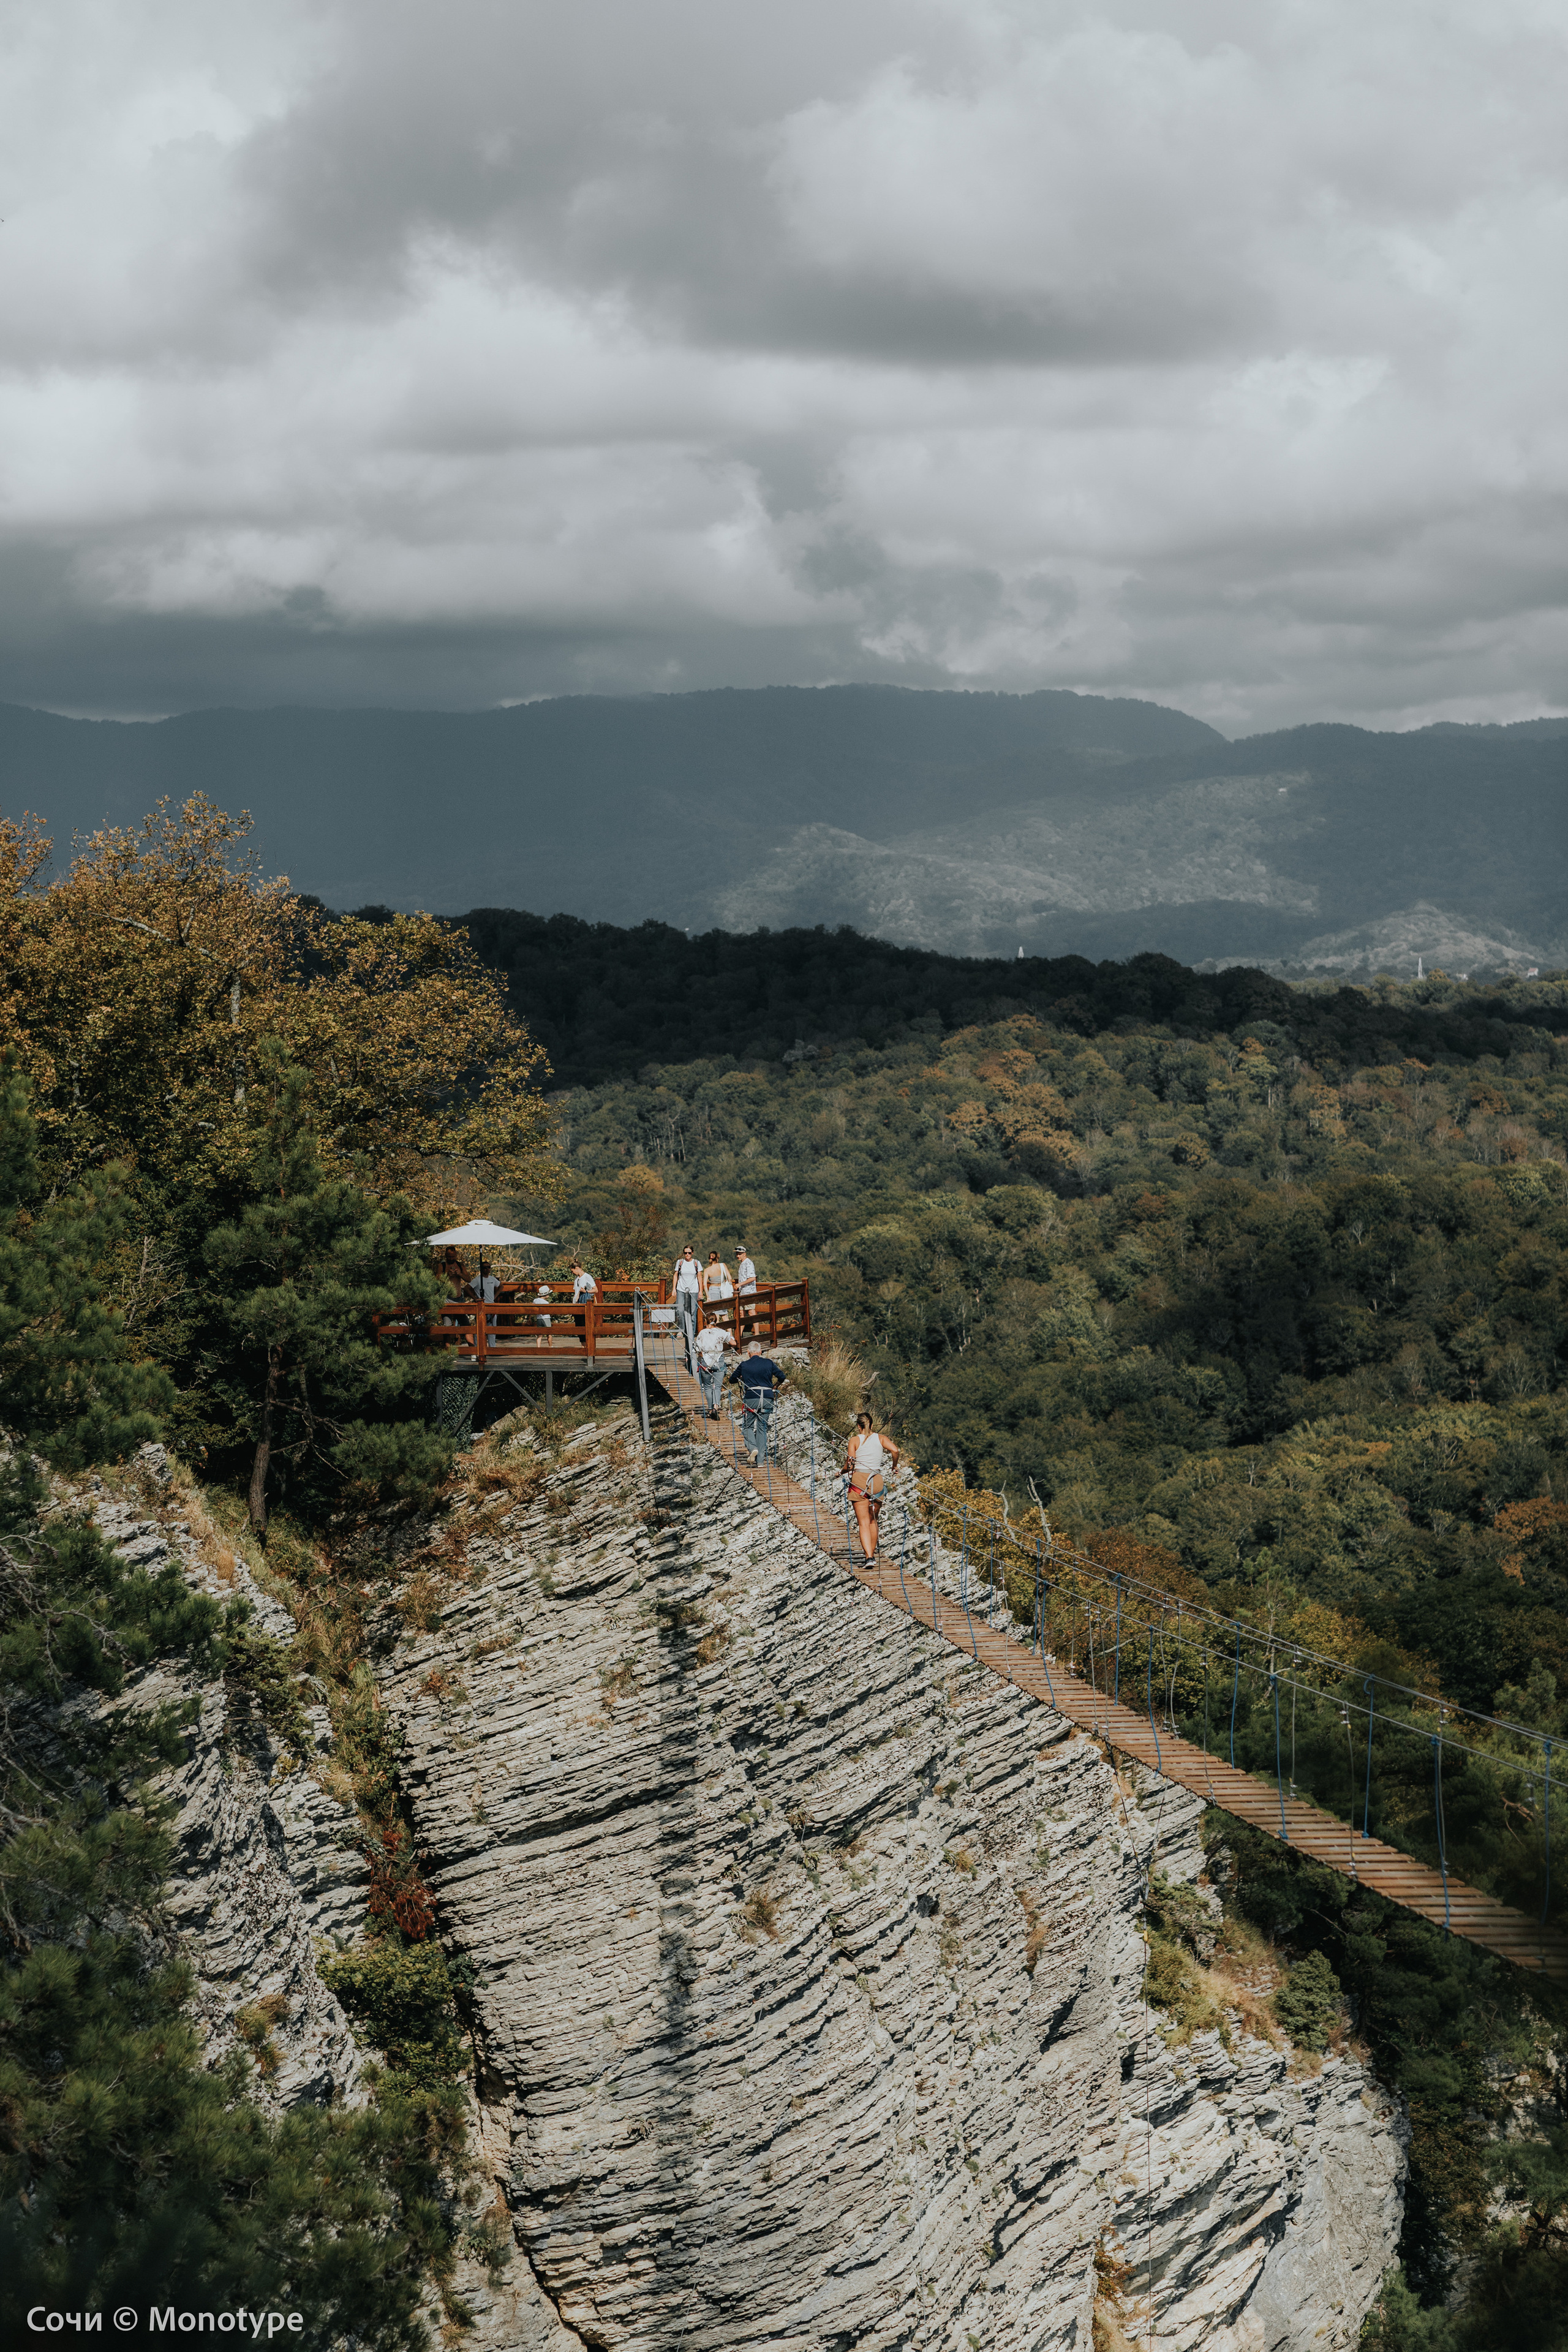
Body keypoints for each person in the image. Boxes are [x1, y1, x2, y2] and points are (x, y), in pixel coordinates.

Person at [845, 1412, 900, 1562]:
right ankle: (873, 1556)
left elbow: (850, 1465)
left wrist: (840, 1472)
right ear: (872, 1424)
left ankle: (869, 1557)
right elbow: (895, 1450)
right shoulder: (881, 1438)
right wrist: (894, 1466)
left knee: (863, 1523)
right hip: (877, 1481)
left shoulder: (854, 1440)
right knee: (873, 1521)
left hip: (860, 1481)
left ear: (858, 1426)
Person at [729, 1339, 786, 1463]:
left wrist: (741, 1377)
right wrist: (775, 1386)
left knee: (747, 1427)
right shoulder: (769, 1363)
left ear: (748, 1353)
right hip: (767, 1397)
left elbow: (732, 1380)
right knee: (762, 1428)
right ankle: (760, 1461)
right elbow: (782, 1376)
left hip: (752, 1397)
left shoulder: (744, 1365)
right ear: (760, 1352)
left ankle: (753, 1448)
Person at [693, 1319, 733, 1417]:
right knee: (717, 1386)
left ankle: (710, 1411)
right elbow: (734, 1343)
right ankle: (715, 1407)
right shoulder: (721, 1332)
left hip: (705, 1361)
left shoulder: (702, 1333)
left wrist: (700, 1354)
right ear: (717, 1320)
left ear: (705, 1321)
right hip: (718, 1360)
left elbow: (696, 1348)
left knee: (707, 1386)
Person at [673, 1243, 701, 1349]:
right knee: (680, 1310)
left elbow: (699, 1277)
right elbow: (675, 1275)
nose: (687, 1255)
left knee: (693, 1311)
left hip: (693, 1289)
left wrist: (701, 1291)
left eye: (689, 1253)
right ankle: (681, 1330)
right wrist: (674, 1289)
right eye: (685, 1253)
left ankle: (691, 1332)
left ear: (692, 1253)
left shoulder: (696, 1263)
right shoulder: (680, 1262)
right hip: (681, 1288)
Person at [736, 1242, 757, 1334]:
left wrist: (740, 1284)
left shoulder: (748, 1263)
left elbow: (753, 1278)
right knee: (741, 1314)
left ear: (745, 1254)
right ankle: (739, 1336)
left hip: (749, 1292)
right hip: (743, 1292)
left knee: (751, 1312)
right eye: (737, 1254)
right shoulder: (742, 1264)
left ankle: (757, 1333)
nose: (738, 1256)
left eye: (740, 1254)